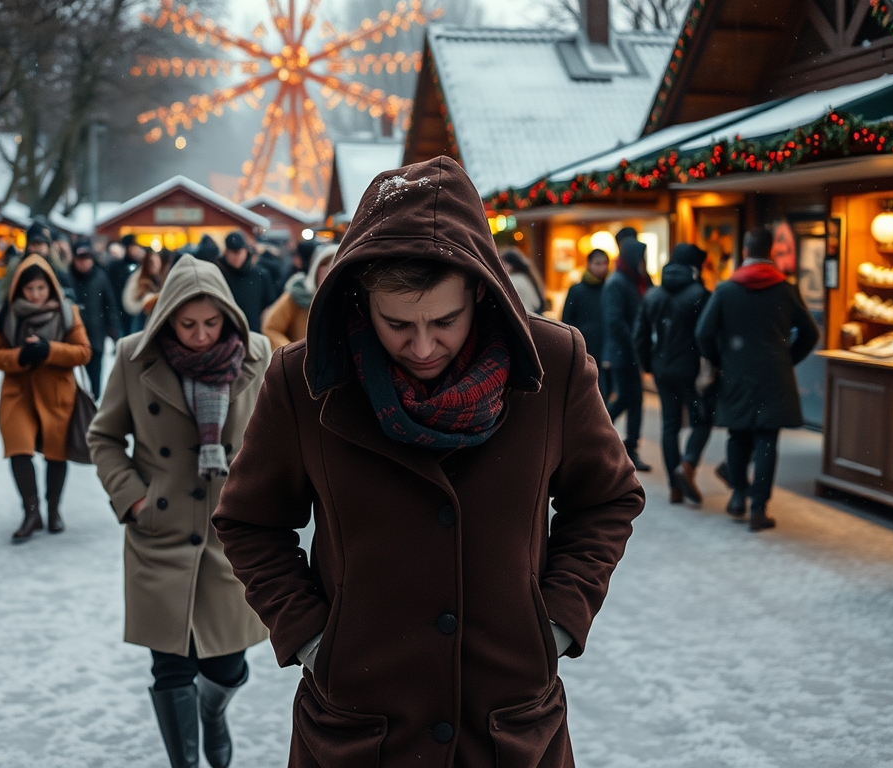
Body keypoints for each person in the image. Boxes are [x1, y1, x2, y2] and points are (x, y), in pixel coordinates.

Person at [211, 157, 643, 767]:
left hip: (509, 726)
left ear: (482, 292)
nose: (421, 346)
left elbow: (607, 498)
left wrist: (557, 621)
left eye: (444, 321)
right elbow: (249, 521)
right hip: (359, 727)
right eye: (396, 323)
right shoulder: (302, 382)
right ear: (360, 300)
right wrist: (311, 637)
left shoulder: (555, 364)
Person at [87, 255, 271, 768]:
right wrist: (133, 497)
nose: (199, 335)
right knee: (170, 666)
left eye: (211, 323)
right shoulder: (132, 357)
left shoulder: (258, 355)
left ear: (229, 317)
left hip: (229, 534)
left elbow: (281, 441)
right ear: (166, 316)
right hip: (159, 532)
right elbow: (102, 436)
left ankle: (213, 714)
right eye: (187, 324)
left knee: (228, 665)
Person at [695, 227, 818, 532]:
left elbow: (703, 333)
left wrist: (720, 360)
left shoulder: (726, 290)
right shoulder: (786, 290)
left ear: (745, 252)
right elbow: (811, 333)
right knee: (766, 440)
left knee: (738, 435)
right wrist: (787, 358)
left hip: (736, 373)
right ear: (772, 253)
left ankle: (738, 495)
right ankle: (758, 509)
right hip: (774, 374)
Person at [0, 254, 92, 542]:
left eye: (41, 289)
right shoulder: (6, 313)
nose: (35, 295)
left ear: (51, 289)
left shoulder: (67, 312)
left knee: (56, 453)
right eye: (29, 289)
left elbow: (83, 351)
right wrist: (20, 356)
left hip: (56, 392)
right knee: (18, 449)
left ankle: (54, 510)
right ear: (19, 288)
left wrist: (49, 350)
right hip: (17, 393)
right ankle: (31, 511)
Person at [635, 243, 715, 505]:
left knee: (670, 424)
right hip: (690, 370)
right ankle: (688, 465)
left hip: (662, 368)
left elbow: (640, 336)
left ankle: (675, 487)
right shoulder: (699, 294)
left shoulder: (653, 295)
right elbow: (707, 334)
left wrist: (648, 365)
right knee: (701, 420)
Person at [603, 238, 652, 471]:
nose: (643, 262)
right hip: (623, 353)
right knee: (626, 398)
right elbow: (615, 320)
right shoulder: (618, 282)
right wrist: (633, 343)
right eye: (640, 257)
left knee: (634, 401)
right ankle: (598, 432)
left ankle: (629, 447)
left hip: (631, 351)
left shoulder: (634, 280)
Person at [66, 245, 121, 398]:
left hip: (96, 332)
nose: (83, 263)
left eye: (86, 259)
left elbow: (110, 303)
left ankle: (95, 399)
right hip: (73, 333)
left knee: (96, 372)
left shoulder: (100, 277)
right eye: (80, 259)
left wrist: (113, 327)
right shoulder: (68, 277)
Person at [261, 243, 336, 348]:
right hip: (302, 361)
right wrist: (292, 355)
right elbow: (271, 328)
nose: (330, 275)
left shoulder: (347, 302)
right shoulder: (298, 294)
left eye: (335, 270)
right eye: (326, 269)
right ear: (317, 269)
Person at [562, 248, 610, 397]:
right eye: (597, 263)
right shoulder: (576, 290)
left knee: (604, 393)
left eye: (604, 263)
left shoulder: (609, 289)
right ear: (589, 264)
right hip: (584, 348)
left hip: (605, 350)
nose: (602, 267)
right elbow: (566, 320)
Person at [217, 231, 276, 334]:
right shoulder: (219, 274)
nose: (236, 256)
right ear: (226, 252)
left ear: (246, 251)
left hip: (255, 332)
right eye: (232, 252)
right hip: (227, 334)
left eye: (239, 252)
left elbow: (270, 305)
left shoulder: (260, 274)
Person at [123, 249, 171, 334]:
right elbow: (129, 302)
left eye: (156, 262)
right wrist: (144, 303)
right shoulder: (138, 279)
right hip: (143, 323)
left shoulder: (165, 277)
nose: (154, 265)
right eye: (151, 262)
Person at [108, 234, 144, 332]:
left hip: (136, 311)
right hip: (120, 312)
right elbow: (111, 291)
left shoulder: (141, 266)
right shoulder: (115, 267)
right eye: (132, 247)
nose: (135, 250)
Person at [500, 247, 547, 315]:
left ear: (510, 265)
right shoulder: (527, 278)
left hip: (523, 318)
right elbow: (537, 303)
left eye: (503, 263)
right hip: (533, 316)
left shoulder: (513, 280)